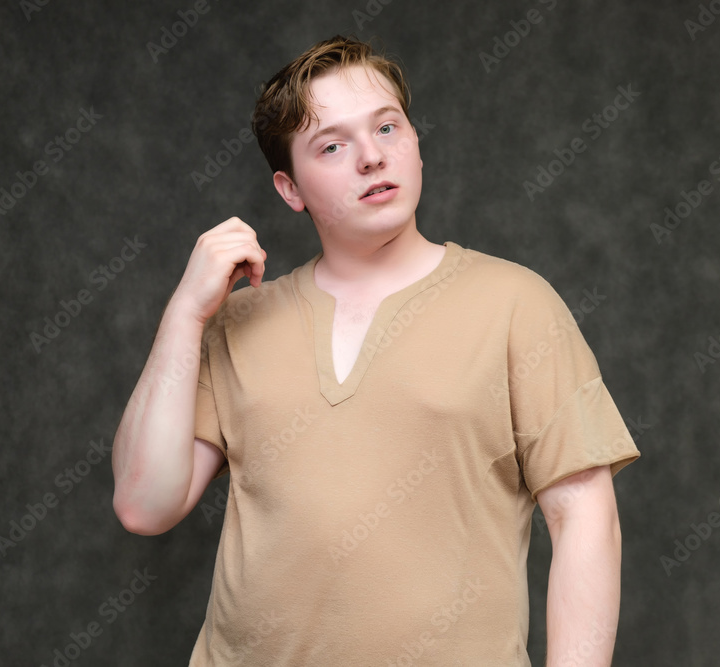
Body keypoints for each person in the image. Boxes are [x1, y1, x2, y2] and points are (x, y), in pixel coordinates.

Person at [112, 34, 640, 666]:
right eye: (332, 145)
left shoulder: (515, 304)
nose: (371, 157)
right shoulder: (238, 322)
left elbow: (585, 519)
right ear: (290, 189)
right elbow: (145, 504)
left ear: (416, 144)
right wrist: (184, 314)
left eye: (387, 128)